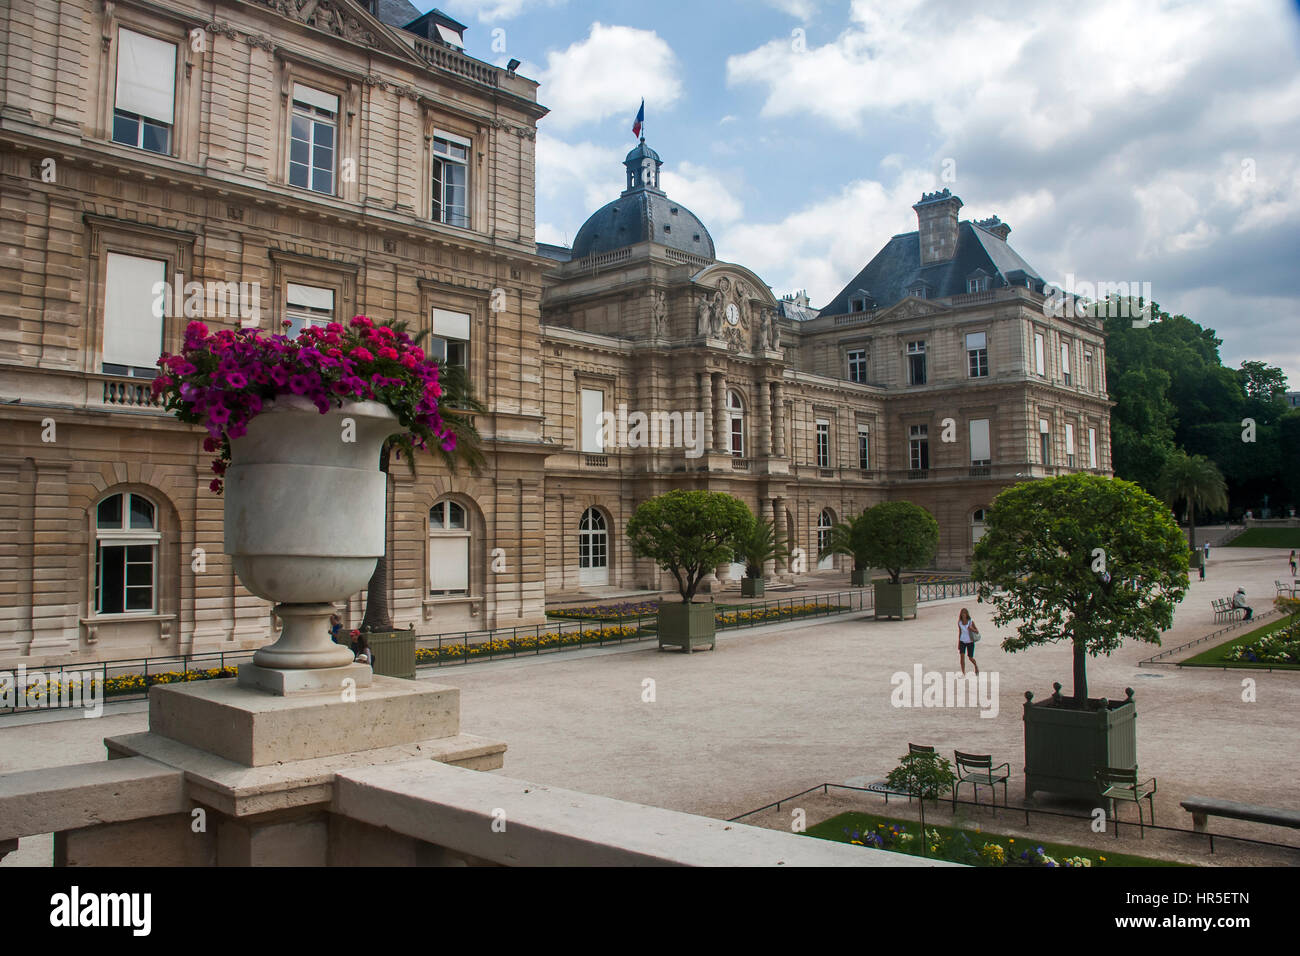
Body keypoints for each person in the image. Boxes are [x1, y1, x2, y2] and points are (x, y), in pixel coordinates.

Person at [957, 607, 980, 676]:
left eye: (964, 613)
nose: (963, 615)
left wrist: (971, 628)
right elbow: (960, 632)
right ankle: (963, 672)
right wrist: (958, 643)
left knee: (970, 657)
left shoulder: (971, 621)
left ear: (967, 614)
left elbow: (977, 631)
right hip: (962, 641)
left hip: (970, 641)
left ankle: (976, 666)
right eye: (962, 613)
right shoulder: (959, 622)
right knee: (962, 657)